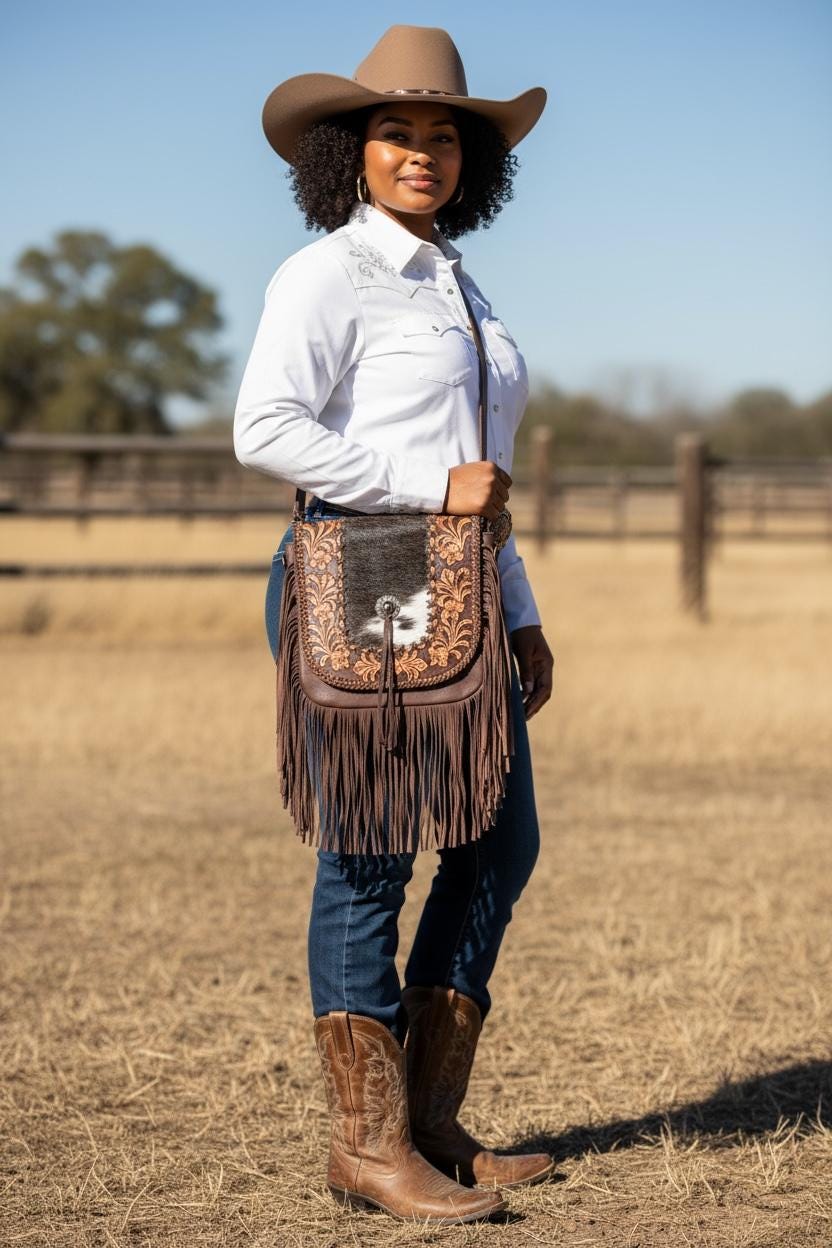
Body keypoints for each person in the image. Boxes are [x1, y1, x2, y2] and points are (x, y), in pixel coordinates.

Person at [234, 24, 556, 1226]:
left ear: (471, 160)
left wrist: (518, 613)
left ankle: (424, 1120)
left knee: (499, 837)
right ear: (349, 155)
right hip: (367, 568)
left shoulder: (460, 284)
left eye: (443, 136)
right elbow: (266, 429)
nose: (422, 153)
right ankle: (366, 1146)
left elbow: (488, 474)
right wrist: (428, 495)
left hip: (463, 582)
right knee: (370, 853)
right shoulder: (326, 273)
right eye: (395, 133)